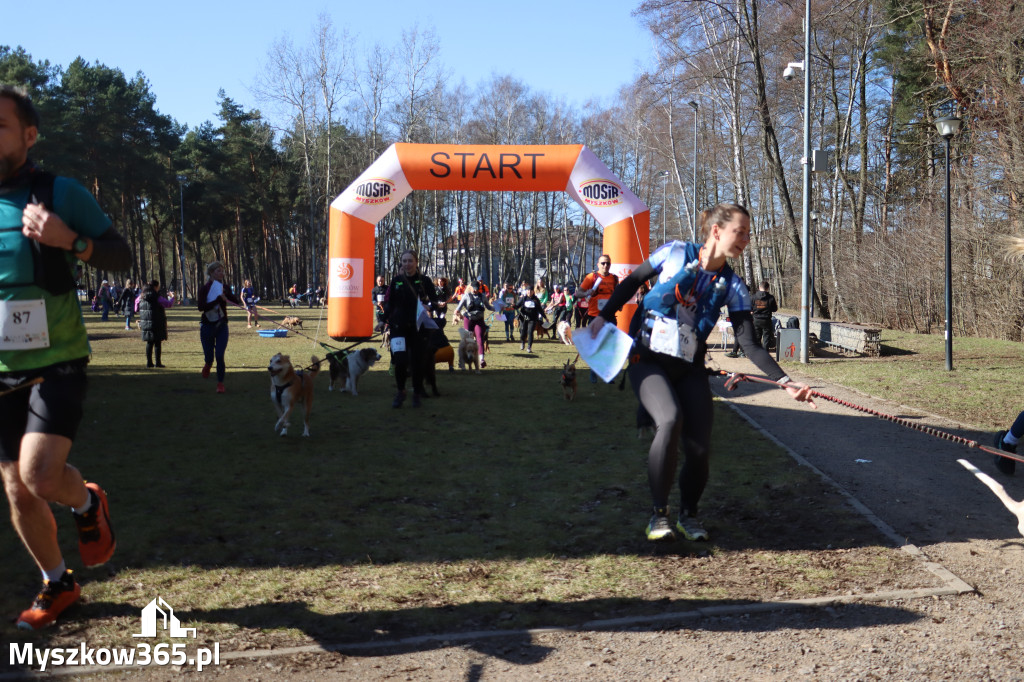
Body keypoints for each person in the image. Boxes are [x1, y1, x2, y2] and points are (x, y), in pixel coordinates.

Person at [587, 202, 812, 543]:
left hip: (689, 367)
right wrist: (603, 317)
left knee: (700, 447)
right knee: (670, 419)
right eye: (741, 232)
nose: (746, 239)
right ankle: (658, 516)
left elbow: (749, 344)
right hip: (647, 360)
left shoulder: (733, 286)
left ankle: (688, 516)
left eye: (749, 234)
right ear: (717, 231)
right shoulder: (675, 253)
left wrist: (785, 382)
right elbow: (631, 281)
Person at [0, 85, 128, 629]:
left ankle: (86, 501)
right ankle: (59, 581)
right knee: (16, 488)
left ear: (29, 135)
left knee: (40, 474)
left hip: (57, 362)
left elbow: (121, 256)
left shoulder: (60, 193)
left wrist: (69, 241)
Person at [377, 249, 441, 408]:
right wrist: (382, 321)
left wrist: (429, 306)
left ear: (416, 262)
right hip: (398, 327)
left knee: (417, 362)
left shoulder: (425, 281)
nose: (407, 264)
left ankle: (417, 394)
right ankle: (401, 392)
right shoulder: (396, 280)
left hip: (418, 328)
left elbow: (435, 301)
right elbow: (389, 304)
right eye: (404, 261)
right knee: (400, 361)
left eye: (410, 261)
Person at [197, 261, 240, 394]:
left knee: (220, 355)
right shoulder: (205, 288)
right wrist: (217, 300)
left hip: (222, 325)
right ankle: (208, 364)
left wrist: (226, 295)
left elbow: (236, 301)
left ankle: (220, 383)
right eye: (218, 271)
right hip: (207, 326)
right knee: (209, 356)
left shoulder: (224, 287)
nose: (221, 273)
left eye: (222, 271)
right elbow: (201, 307)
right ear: (211, 273)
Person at [452, 280, 490, 368]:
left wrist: (496, 307)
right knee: (467, 340)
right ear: (471, 288)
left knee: (480, 338)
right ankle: (462, 360)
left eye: (477, 289)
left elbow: (488, 306)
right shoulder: (466, 296)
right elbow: (459, 306)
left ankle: (481, 360)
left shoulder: (482, 296)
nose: (475, 291)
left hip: (479, 320)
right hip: (469, 320)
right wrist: (456, 311)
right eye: (474, 289)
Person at [577, 255, 619, 327]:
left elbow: (617, 295)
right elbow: (578, 293)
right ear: (598, 265)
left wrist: (619, 304)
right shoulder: (591, 277)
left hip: (610, 317)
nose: (605, 265)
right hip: (595, 317)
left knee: (610, 338)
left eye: (608, 263)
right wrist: (587, 293)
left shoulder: (614, 278)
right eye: (603, 263)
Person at [516, 285, 548, 353]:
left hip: (532, 319)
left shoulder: (536, 300)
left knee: (530, 332)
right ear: (526, 291)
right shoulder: (523, 299)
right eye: (528, 290)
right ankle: (522, 342)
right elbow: (517, 306)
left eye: (531, 291)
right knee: (522, 332)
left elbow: (540, 309)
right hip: (524, 318)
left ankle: (529, 347)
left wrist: (545, 317)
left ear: (533, 291)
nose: (529, 292)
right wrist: (512, 306)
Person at [751, 280, 779, 351]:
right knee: (766, 338)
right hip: (766, 320)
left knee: (757, 338)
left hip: (756, 320)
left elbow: (749, 309)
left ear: (759, 287)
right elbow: (774, 309)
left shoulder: (753, 297)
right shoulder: (771, 298)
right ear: (767, 288)